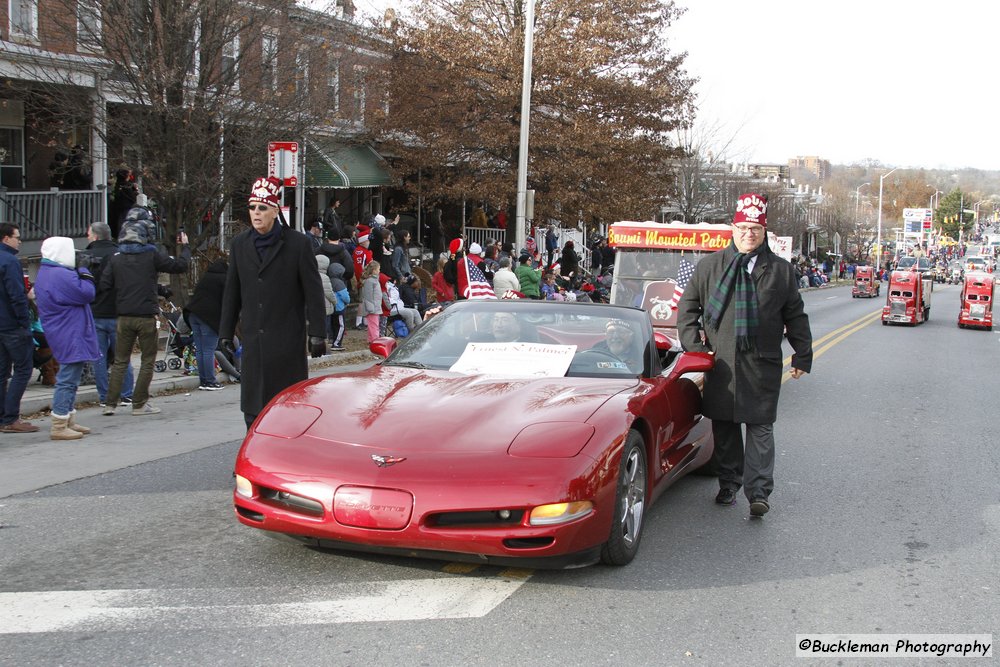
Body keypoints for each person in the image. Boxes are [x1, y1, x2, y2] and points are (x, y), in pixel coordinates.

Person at [676, 193, 813, 518]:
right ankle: (729, 483)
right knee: (724, 429)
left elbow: (795, 316)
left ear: (764, 231)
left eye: (754, 228)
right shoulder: (710, 267)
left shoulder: (780, 271)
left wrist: (802, 356)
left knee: (760, 429)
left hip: (762, 365)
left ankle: (759, 493)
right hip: (720, 365)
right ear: (732, 228)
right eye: (743, 228)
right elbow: (687, 309)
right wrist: (696, 349)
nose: (748, 234)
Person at [218, 176, 327, 429]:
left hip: (286, 343)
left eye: (262, 208)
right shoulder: (239, 245)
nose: (256, 213)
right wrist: (225, 333)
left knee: (287, 410)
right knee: (253, 413)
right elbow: (232, 292)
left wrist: (318, 333)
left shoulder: (297, 245)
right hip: (254, 343)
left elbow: (313, 291)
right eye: (252, 207)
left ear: (275, 211)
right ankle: (254, 463)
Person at [101, 207, 191, 416]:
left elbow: (105, 284)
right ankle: (139, 403)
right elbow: (179, 266)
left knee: (120, 360)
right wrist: (185, 247)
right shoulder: (151, 255)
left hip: (123, 316)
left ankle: (110, 403)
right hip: (146, 315)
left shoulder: (116, 258)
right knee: (147, 360)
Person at [33, 237, 100, 440]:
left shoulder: (48, 272)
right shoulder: (60, 274)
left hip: (64, 329)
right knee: (68, 379)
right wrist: (84, 270)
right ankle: (59, 423)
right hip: (69, 331)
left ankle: (67, 419)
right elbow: (87, 292)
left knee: (71, 377)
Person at [86, 222, 135, 407]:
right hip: (118, 312)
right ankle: (127, 393)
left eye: (89, 234)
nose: (88, 237)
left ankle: (105, 396)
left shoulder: (86, 256)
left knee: (98, 357)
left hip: (96, 311)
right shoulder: (120, 255)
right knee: (122, 355)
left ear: (96, 236)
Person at [0, 223, 40, 433]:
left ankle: (3, 417)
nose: (20, 241)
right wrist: (25, 321)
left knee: (2, 372)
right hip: (12, 324)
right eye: (17, 237)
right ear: (6, 238)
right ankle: (11, 417)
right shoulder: (10, 261)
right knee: (23, 369)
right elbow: (16, 294)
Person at [184, 258, 228, 391]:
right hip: (209, 317)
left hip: (193, 314)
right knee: (209, 350)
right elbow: (228, 301)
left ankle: (203, 380)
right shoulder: (224, 279)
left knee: (200, 349)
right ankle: (210, 381)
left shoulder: (204, 278)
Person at [359, 260, 384, 343]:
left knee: (373, 324)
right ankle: (375, 341)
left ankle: (371, 340)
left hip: (375, 306)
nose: (379, 271)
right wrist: (371, 307)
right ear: (374, 270)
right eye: (378, 269)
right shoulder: (370, 281)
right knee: (374, 325)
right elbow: (368, 295)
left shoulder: (374, 281)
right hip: (372, 307)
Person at [328, 262, 350, 351]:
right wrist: (348, 301)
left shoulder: (329, 280)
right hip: (339, 308)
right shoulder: (339, 283)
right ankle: (336, 343)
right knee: (341, 326)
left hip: (332, 308)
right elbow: (345, 296)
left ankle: (333, 340)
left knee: (333, 325)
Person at [316, 254, 337, 346]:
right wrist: (334, 301)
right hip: (325, 306)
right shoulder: (325, 277)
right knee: (325, 326)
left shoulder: (312, 275)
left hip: (314, 306)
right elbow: (329, 292)